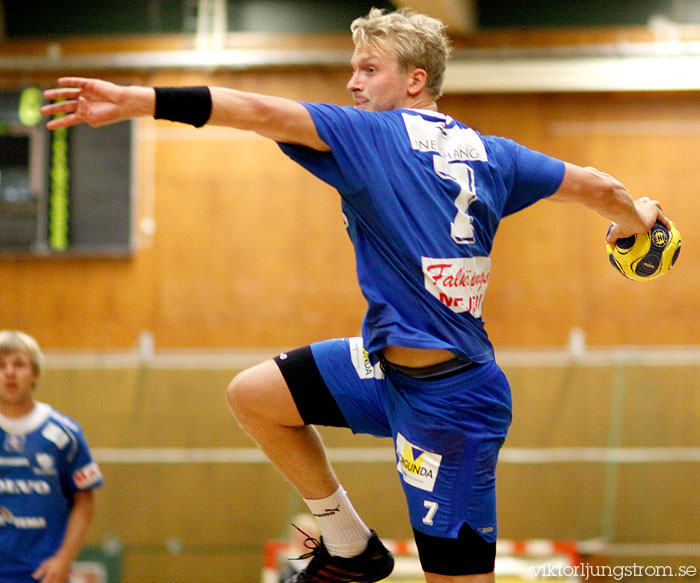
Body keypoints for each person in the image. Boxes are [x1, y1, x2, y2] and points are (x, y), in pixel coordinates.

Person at [40, 8, 670, 583]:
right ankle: (348, 545)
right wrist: (638, 223)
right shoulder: (494, 154)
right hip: (385, 369)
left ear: (415, 81)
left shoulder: (370, 136)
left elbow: (257, 111)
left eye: (369, 69)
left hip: (451, 406)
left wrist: (140, 100)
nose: (353, 83)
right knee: (256, 397)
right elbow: (594, 185)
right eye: (353, 70)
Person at [0, 330, 103, 583]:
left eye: (19, 364)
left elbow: (85, 500)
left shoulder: (63, 433)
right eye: (1, 365)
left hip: (43, 575)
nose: (9, 372)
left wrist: (64, 559)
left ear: (35, 374)